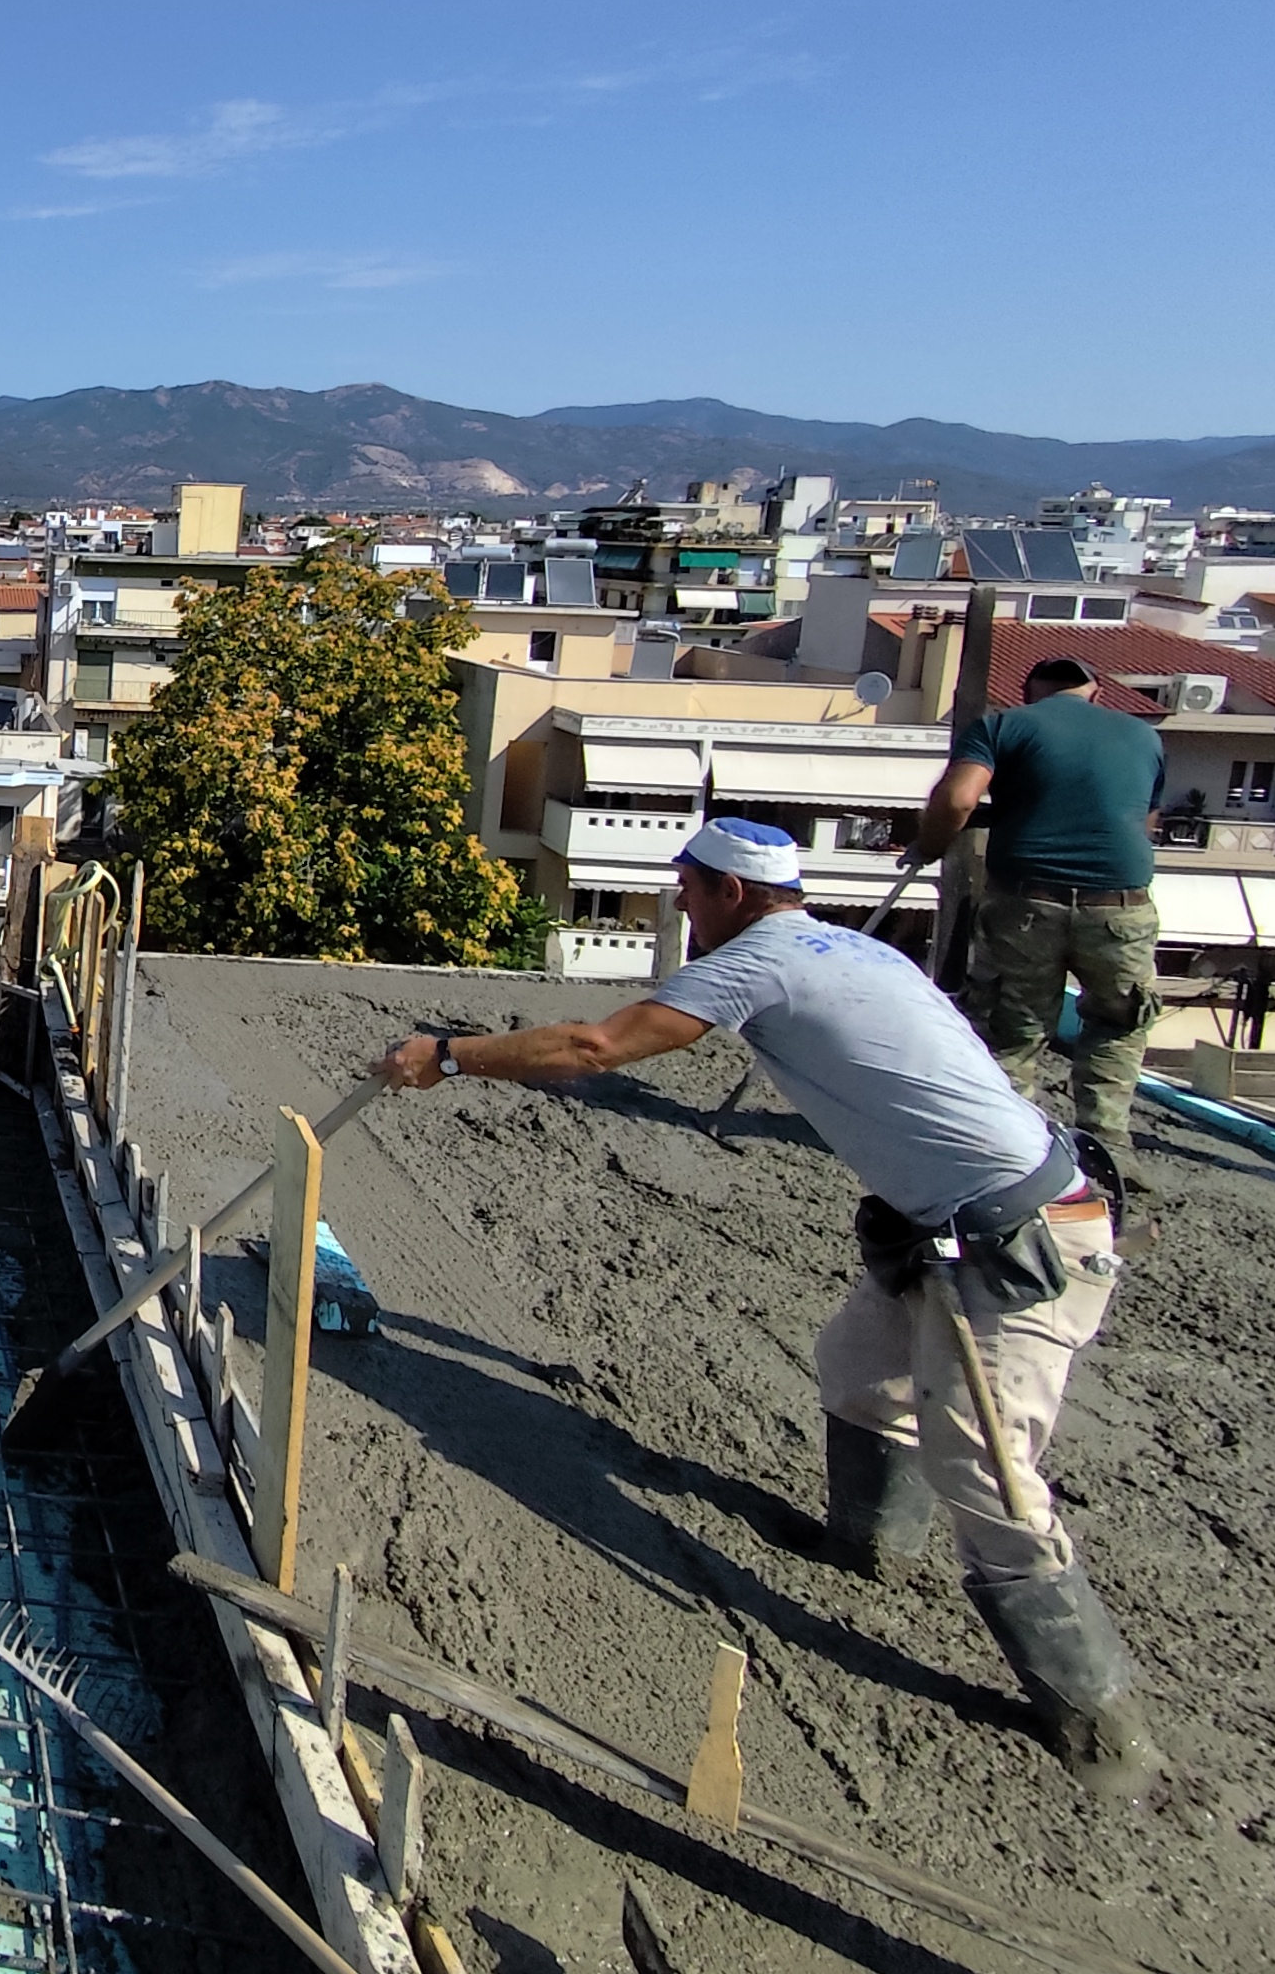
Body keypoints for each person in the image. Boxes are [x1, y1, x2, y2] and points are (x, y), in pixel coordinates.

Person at [371, 817, 1162, 1796]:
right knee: (859, 1372)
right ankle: (869, 1548)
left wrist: (448, 1054)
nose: (679, 901)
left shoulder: (759, 962)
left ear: (732, 893)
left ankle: (1100, 1726)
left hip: (1021, 1242)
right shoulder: (850, 949)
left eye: (689, 885)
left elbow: (593, 1044)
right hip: (949, 1225)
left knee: (984, 1471)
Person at [909, 655, 1164, 1199]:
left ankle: (1009, 1146)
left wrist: (928, 845)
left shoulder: (1004, 726)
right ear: (1095, 694)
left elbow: (958, 798)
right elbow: (1144, 820)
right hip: (1120, 906)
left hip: (1027, 902)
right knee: (1117, 1024)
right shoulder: (1143, 736)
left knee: (1012, 1025)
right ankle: (1109, 1148)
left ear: (1030, 694)